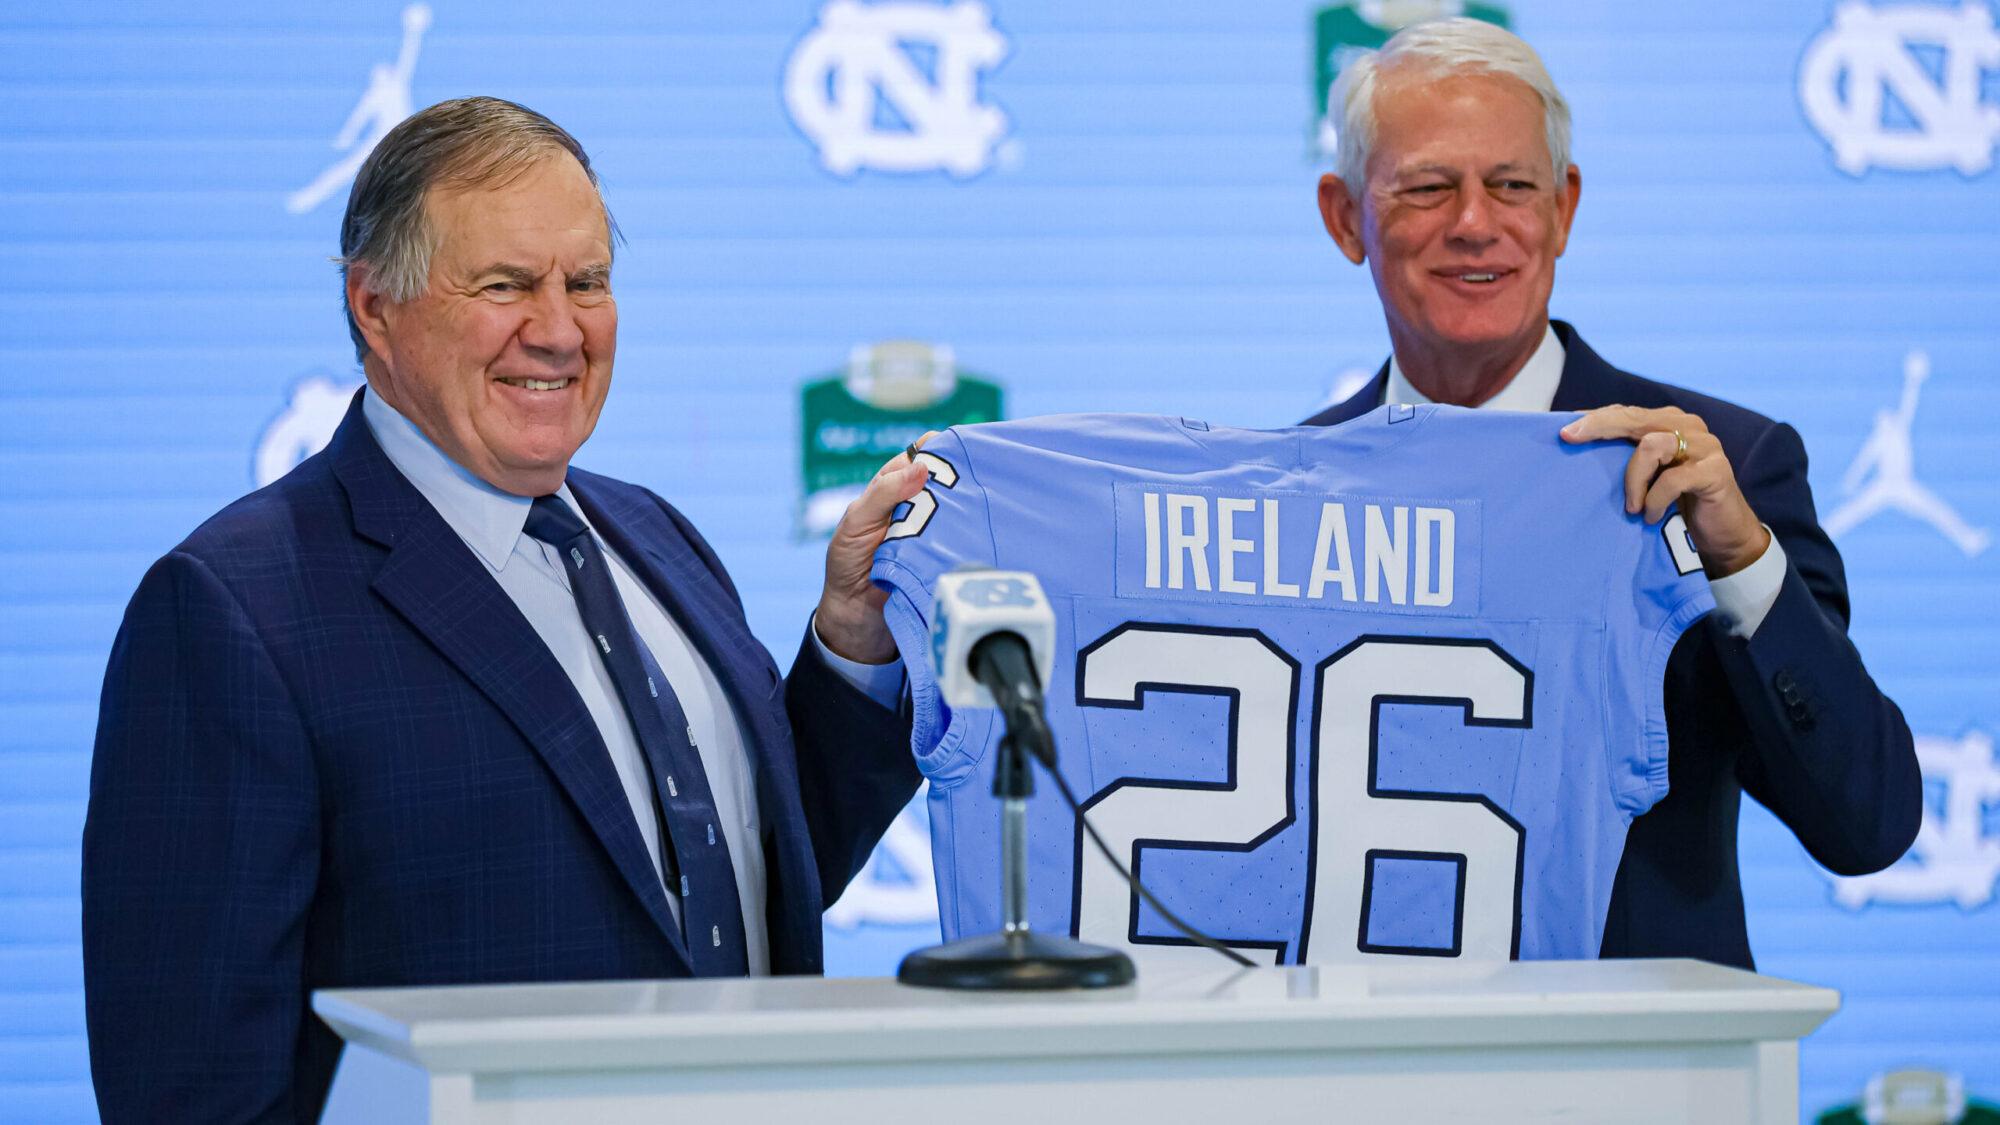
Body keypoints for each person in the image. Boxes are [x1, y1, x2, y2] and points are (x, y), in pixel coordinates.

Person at [83, 97, 928, 1122]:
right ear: (374, 306)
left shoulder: (656, 534)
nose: (559, 331)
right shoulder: (231, 609)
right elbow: (188, 1081)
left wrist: (850, 642)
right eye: (505, 285)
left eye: (588, 282)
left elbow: (746, 876)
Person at [1302, 18, 1921, 969]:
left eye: (1513, 185)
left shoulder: (1727, 471)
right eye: (1427, 187)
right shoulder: (1292, 490)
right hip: (1351, 1046)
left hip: (1635, 1051)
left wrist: (1743, 564)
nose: (1475, 222)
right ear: (1346, 218)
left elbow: (1866, 820)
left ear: (1564, 209)